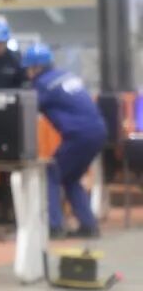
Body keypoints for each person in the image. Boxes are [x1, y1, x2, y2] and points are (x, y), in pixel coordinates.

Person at [22, 43, 107, 239]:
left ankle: (54, 227)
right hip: (98, 131)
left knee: (51, 173)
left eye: (28, 68)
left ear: (36, 68)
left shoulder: (41, 84)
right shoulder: (64, 75)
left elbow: (26, 108)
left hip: (80, 135)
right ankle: (89, 226)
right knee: (70, 178)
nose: (27, 72)